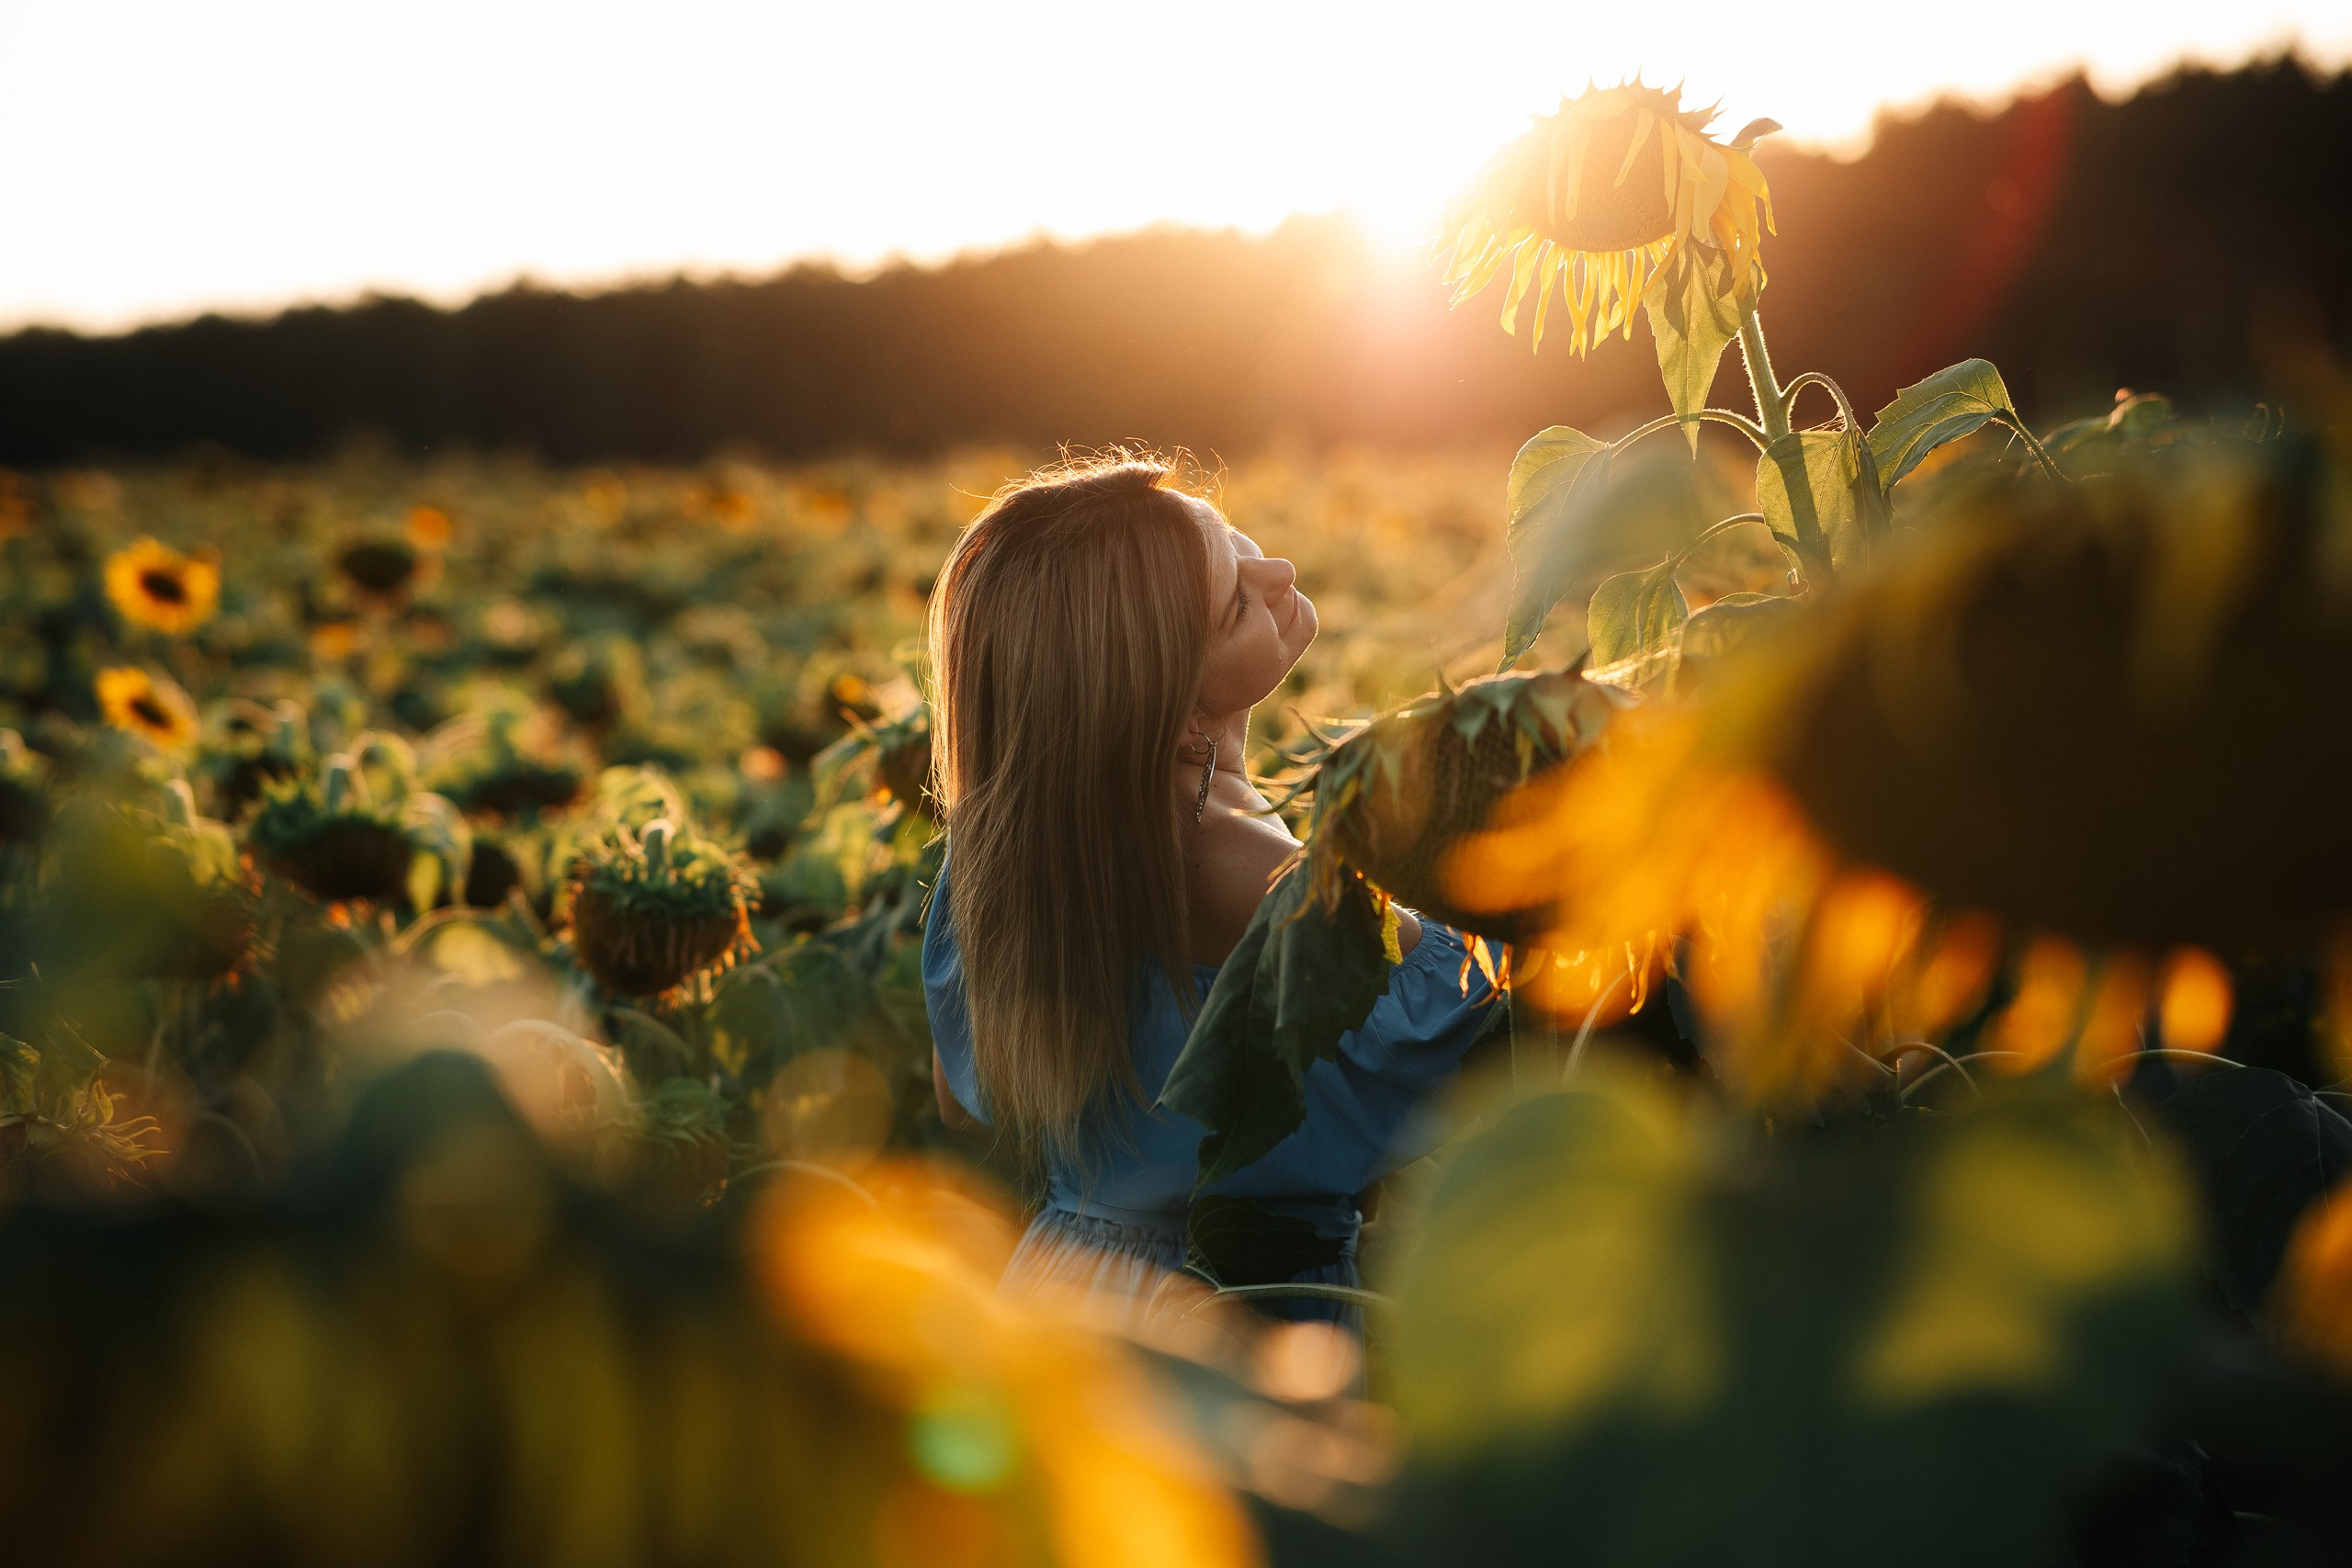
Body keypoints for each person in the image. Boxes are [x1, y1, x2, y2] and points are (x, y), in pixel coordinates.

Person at [921, 455, 1495, 1326]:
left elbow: (959, 1096)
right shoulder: (1229, 861)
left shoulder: (1016, 841)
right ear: (1175, 709)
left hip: (1074, 1283)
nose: (1280, 574)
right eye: (1235, 601)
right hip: (1232, 1310)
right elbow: (1474, 1029)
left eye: (1239, 542)